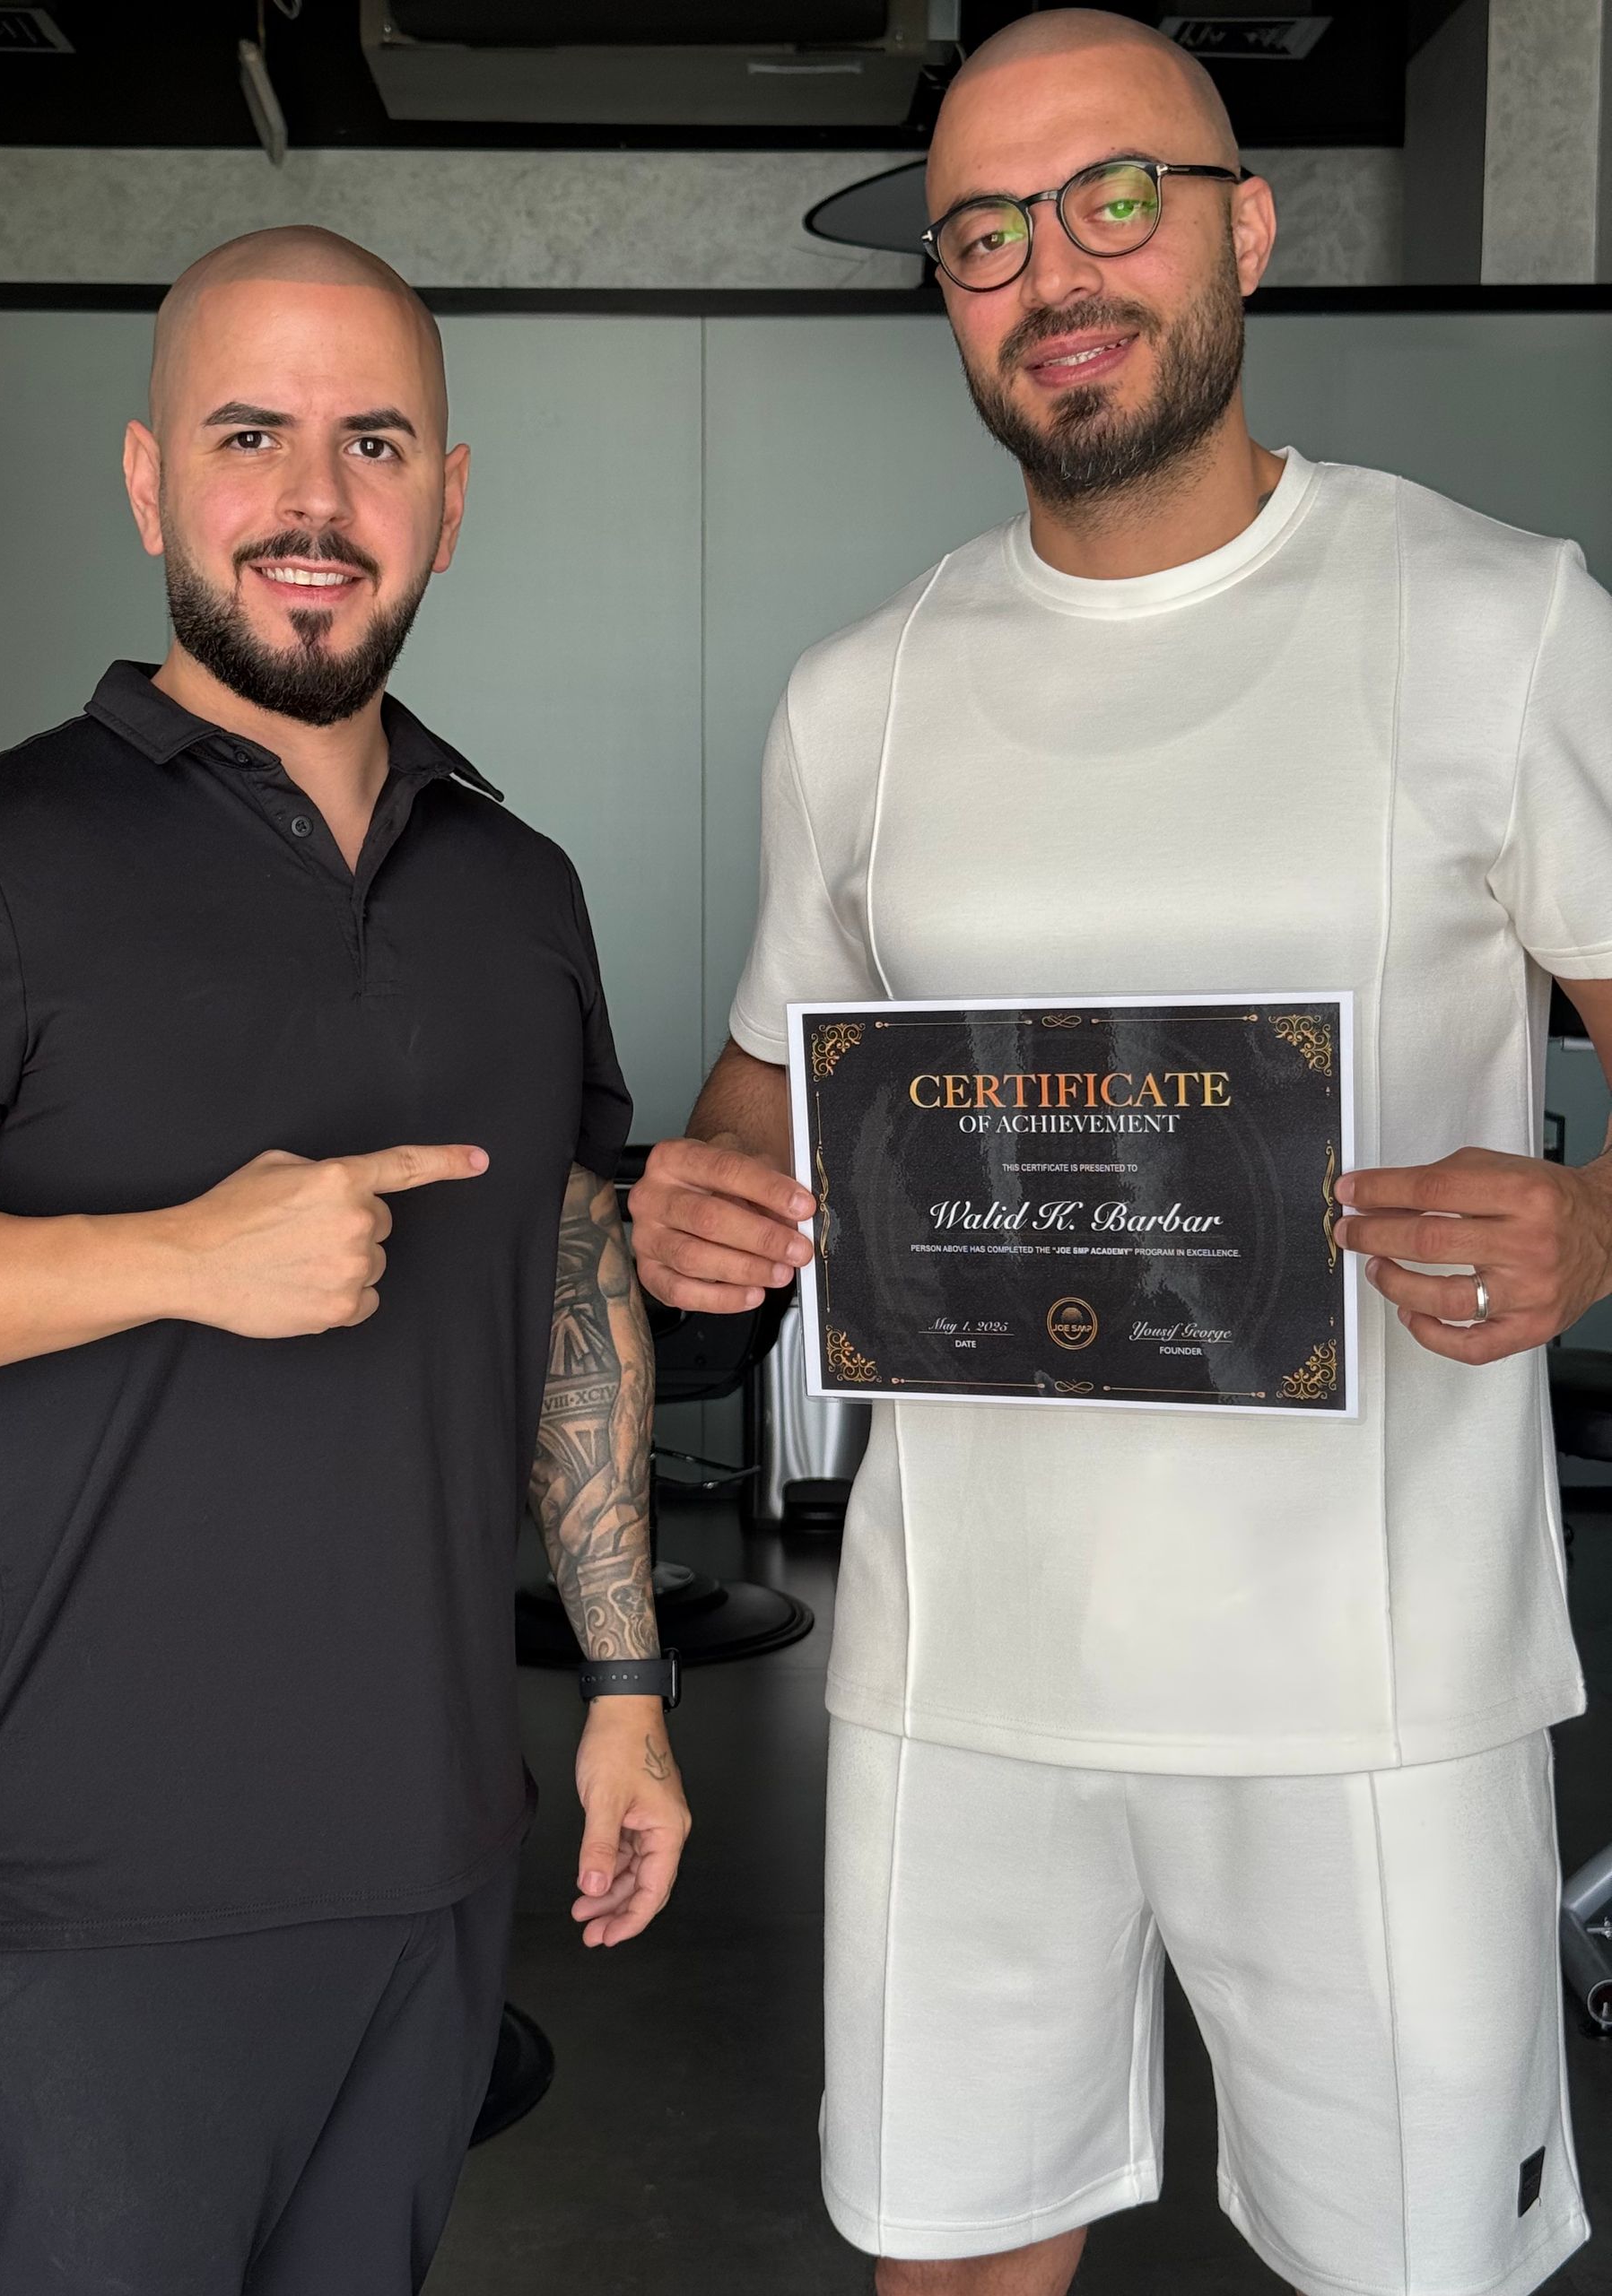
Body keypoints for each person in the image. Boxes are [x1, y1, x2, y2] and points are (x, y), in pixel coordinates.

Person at [629, 14, 1609, 2295]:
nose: (1052, 268)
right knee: (953, 2257)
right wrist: (701, 1196)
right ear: (949, 293)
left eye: (1114, 198)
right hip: (962, 1663)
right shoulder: (856, 695)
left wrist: (1592, 1217)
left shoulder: (1495, 619)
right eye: (984, 231)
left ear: (1243, 225)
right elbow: (764, 1097)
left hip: (1373, 1680)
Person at [0, 226, 689, 2296]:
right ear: (153, 481)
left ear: (448, 493)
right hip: (94, 1890)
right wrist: (173, 1252)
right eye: (254, 438)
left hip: (431, 1860)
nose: (316, 503)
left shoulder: (518, 884)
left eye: (374, 442)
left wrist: (622, 1685)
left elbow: (572, 1273)